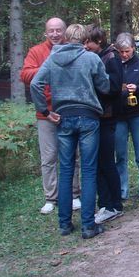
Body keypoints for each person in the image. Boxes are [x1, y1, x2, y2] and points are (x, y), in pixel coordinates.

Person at [30, 24, 109, 239]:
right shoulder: (91, 58)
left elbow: (35, 84)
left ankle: (65, 224)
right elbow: (104, 86)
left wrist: (45, 111)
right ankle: (88, 226)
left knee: (65, 170)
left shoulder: (53, 58)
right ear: (84, 40)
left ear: (65, 38)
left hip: (63, 118)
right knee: (88, 170)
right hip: (88, 117)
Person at [20, 17, 82, 214]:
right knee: (48, 158)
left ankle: (74, 195)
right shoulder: (36, 51)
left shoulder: (72, 49)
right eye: (51, 31)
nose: (55, 34)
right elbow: (25, 75)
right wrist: (48, 67)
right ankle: (51, 198)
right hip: (45, 114)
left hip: (69, 110)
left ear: (65, 31)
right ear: (45, 32)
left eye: (58, 30)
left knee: (73, 155)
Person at [84, 26, 124, 223]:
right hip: (96, 117)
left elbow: (115, 87)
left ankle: (114, 205)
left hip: (107, 117)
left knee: (107, 162)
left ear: (98, 41)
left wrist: (96, 87)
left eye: (88, 42)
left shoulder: (112, 58)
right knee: (98, 162)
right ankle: (104, 203)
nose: (85, 46)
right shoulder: (98, 57)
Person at [114, 33, 139, 204]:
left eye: (127, 51)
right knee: (120, 155)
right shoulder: (113, 64)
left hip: (138, 114)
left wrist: (137, 89)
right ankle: (121, 190)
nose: (124, 55)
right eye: (121, 51)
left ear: (133, 48)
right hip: (118, 115)